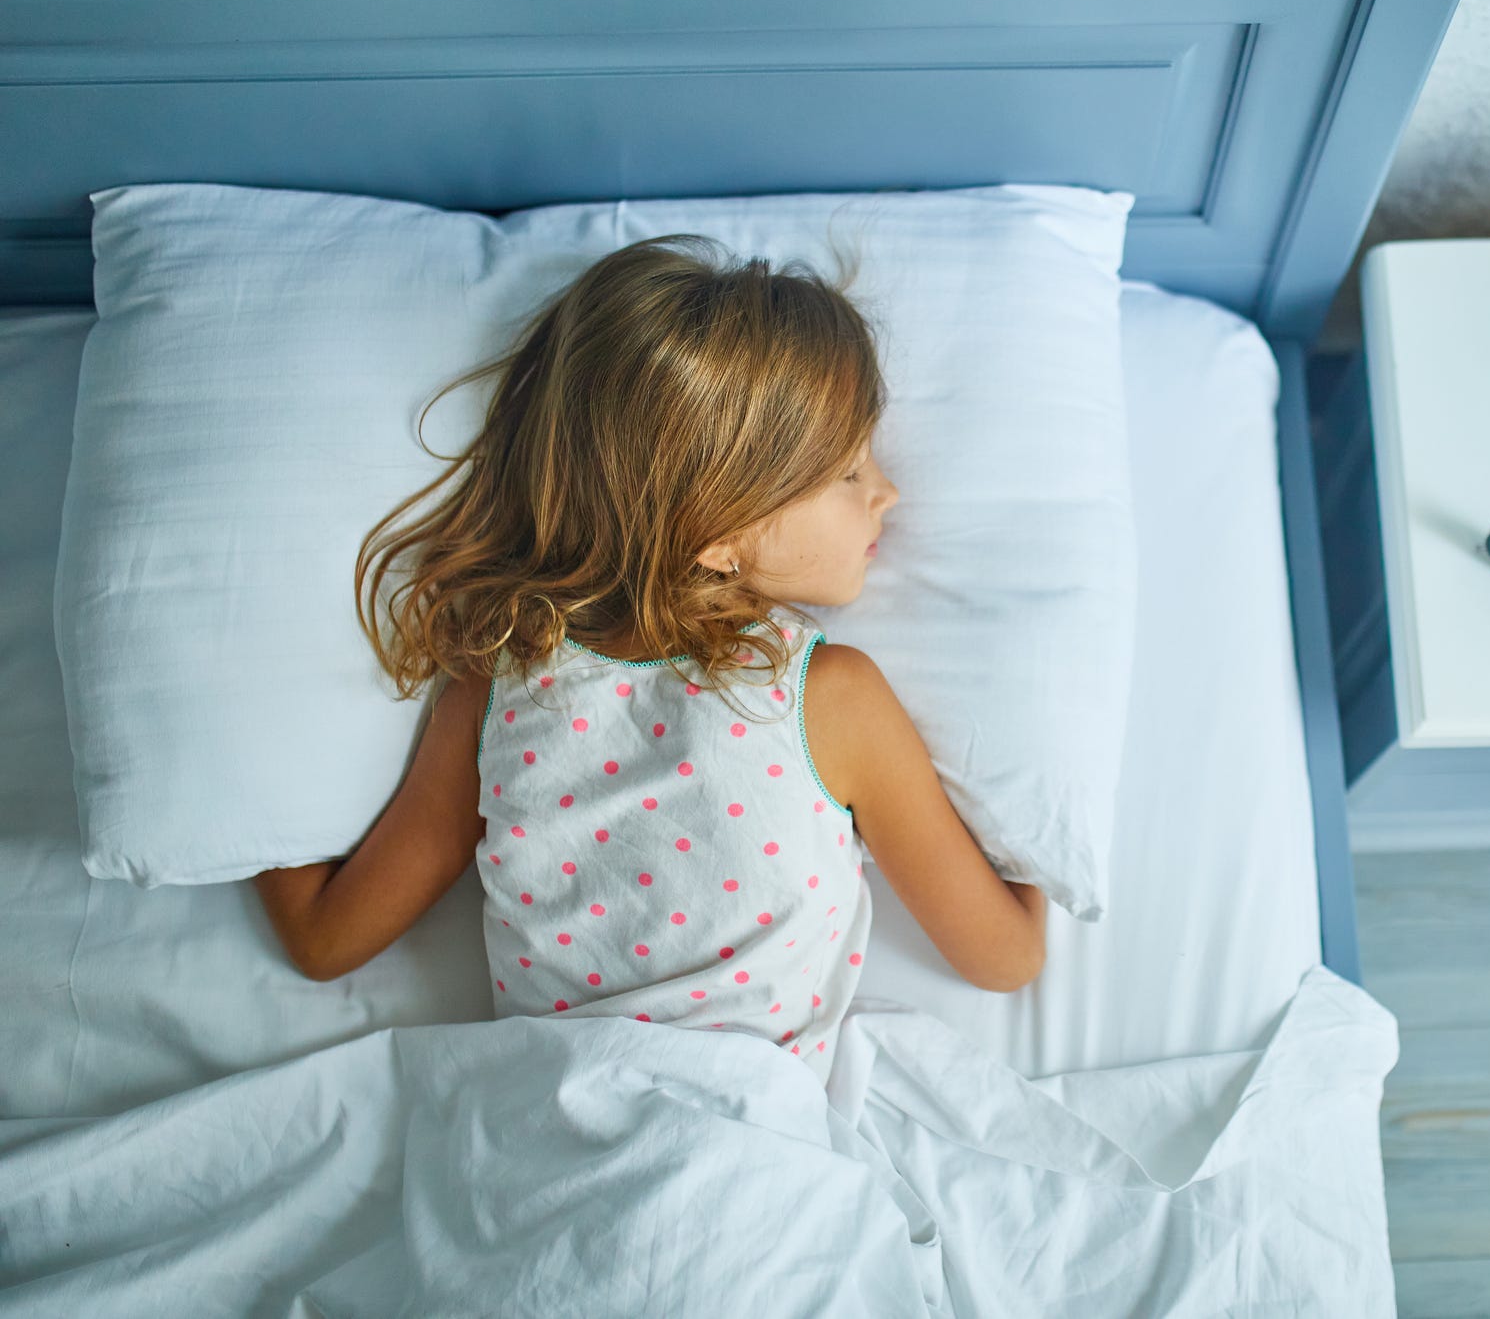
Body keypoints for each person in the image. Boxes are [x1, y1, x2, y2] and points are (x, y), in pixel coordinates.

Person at [250, 233, 1047, 1080]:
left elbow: (326, 940)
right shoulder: (825, 697)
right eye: (846, 471)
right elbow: (1005, 960)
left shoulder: (496, 688)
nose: (888, 491)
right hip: (750, 1142)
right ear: (718, 532)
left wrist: (247, 728)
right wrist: (1038, 831)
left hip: (538, 1137)